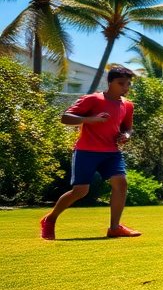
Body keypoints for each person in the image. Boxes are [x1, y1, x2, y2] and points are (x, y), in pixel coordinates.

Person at [39, 65, 141, 240]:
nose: (125, 88)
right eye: (121, 83)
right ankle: (50, 219)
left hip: (112, 152)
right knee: (80, 191)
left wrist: (126, 135)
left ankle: (114, 228)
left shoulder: (128, 105)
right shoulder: (93, 100)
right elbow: (65, 117)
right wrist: (90, 120)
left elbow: (128, 128)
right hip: (86, 151)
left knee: (121, 183)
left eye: (128, 84)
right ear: (110, 82)